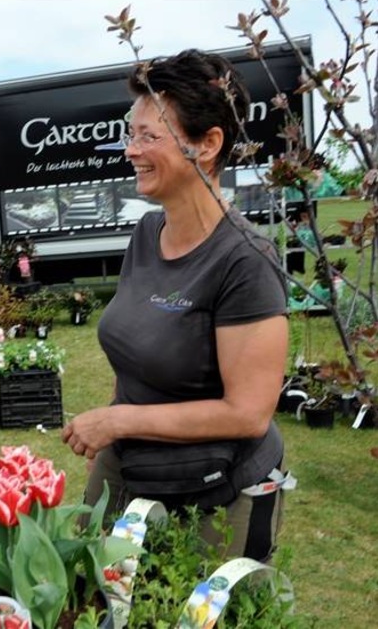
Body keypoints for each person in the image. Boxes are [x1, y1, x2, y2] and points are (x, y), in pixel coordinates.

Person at [60, 49, 289, 561]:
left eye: (148, 136)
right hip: (130, 469)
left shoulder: (246, 260)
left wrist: (119, 422)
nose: (130, 150)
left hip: (214, 492)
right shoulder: (146, 234)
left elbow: (248, 413)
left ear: (207, 144)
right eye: (130, 133)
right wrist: (119, 430)